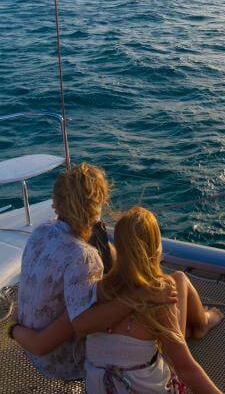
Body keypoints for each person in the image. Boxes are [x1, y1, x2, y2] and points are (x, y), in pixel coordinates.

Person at [14, 206, 225, 394]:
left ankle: (200, 323)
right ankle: (201, 324)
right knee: (177, 281)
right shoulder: (158, 300)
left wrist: (14, 329)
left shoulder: (94, 294)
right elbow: (186, 369)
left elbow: (46, 339)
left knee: (174, 285)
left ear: (117, 248)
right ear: (156, 249)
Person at [12, 163, 177, 381]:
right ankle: (181, 343)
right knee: (163, 291)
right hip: (63, 362)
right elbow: (82, 324)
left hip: (32, 347)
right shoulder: (85, 256)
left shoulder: (41, 232)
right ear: (97, 205)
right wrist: (139, 297)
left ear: (56, 203)